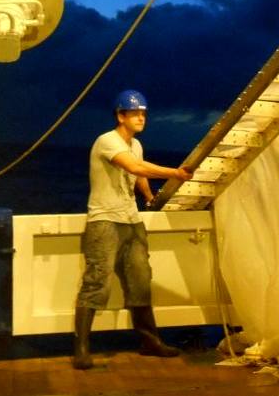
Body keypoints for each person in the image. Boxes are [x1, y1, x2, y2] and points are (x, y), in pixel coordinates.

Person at [73, 90, 193, 370]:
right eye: (135, 113)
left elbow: (137, 174)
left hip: (131, 221)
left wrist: (150, 198)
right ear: (120, 115)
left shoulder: (136, 145)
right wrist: (175, 173)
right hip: (104, 222)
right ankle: (81, 348)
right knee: (96, 282)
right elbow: (133, 165)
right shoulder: (107, 141)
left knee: (141, 280)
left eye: (143, 113)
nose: (141, 117)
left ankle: (150, 341)